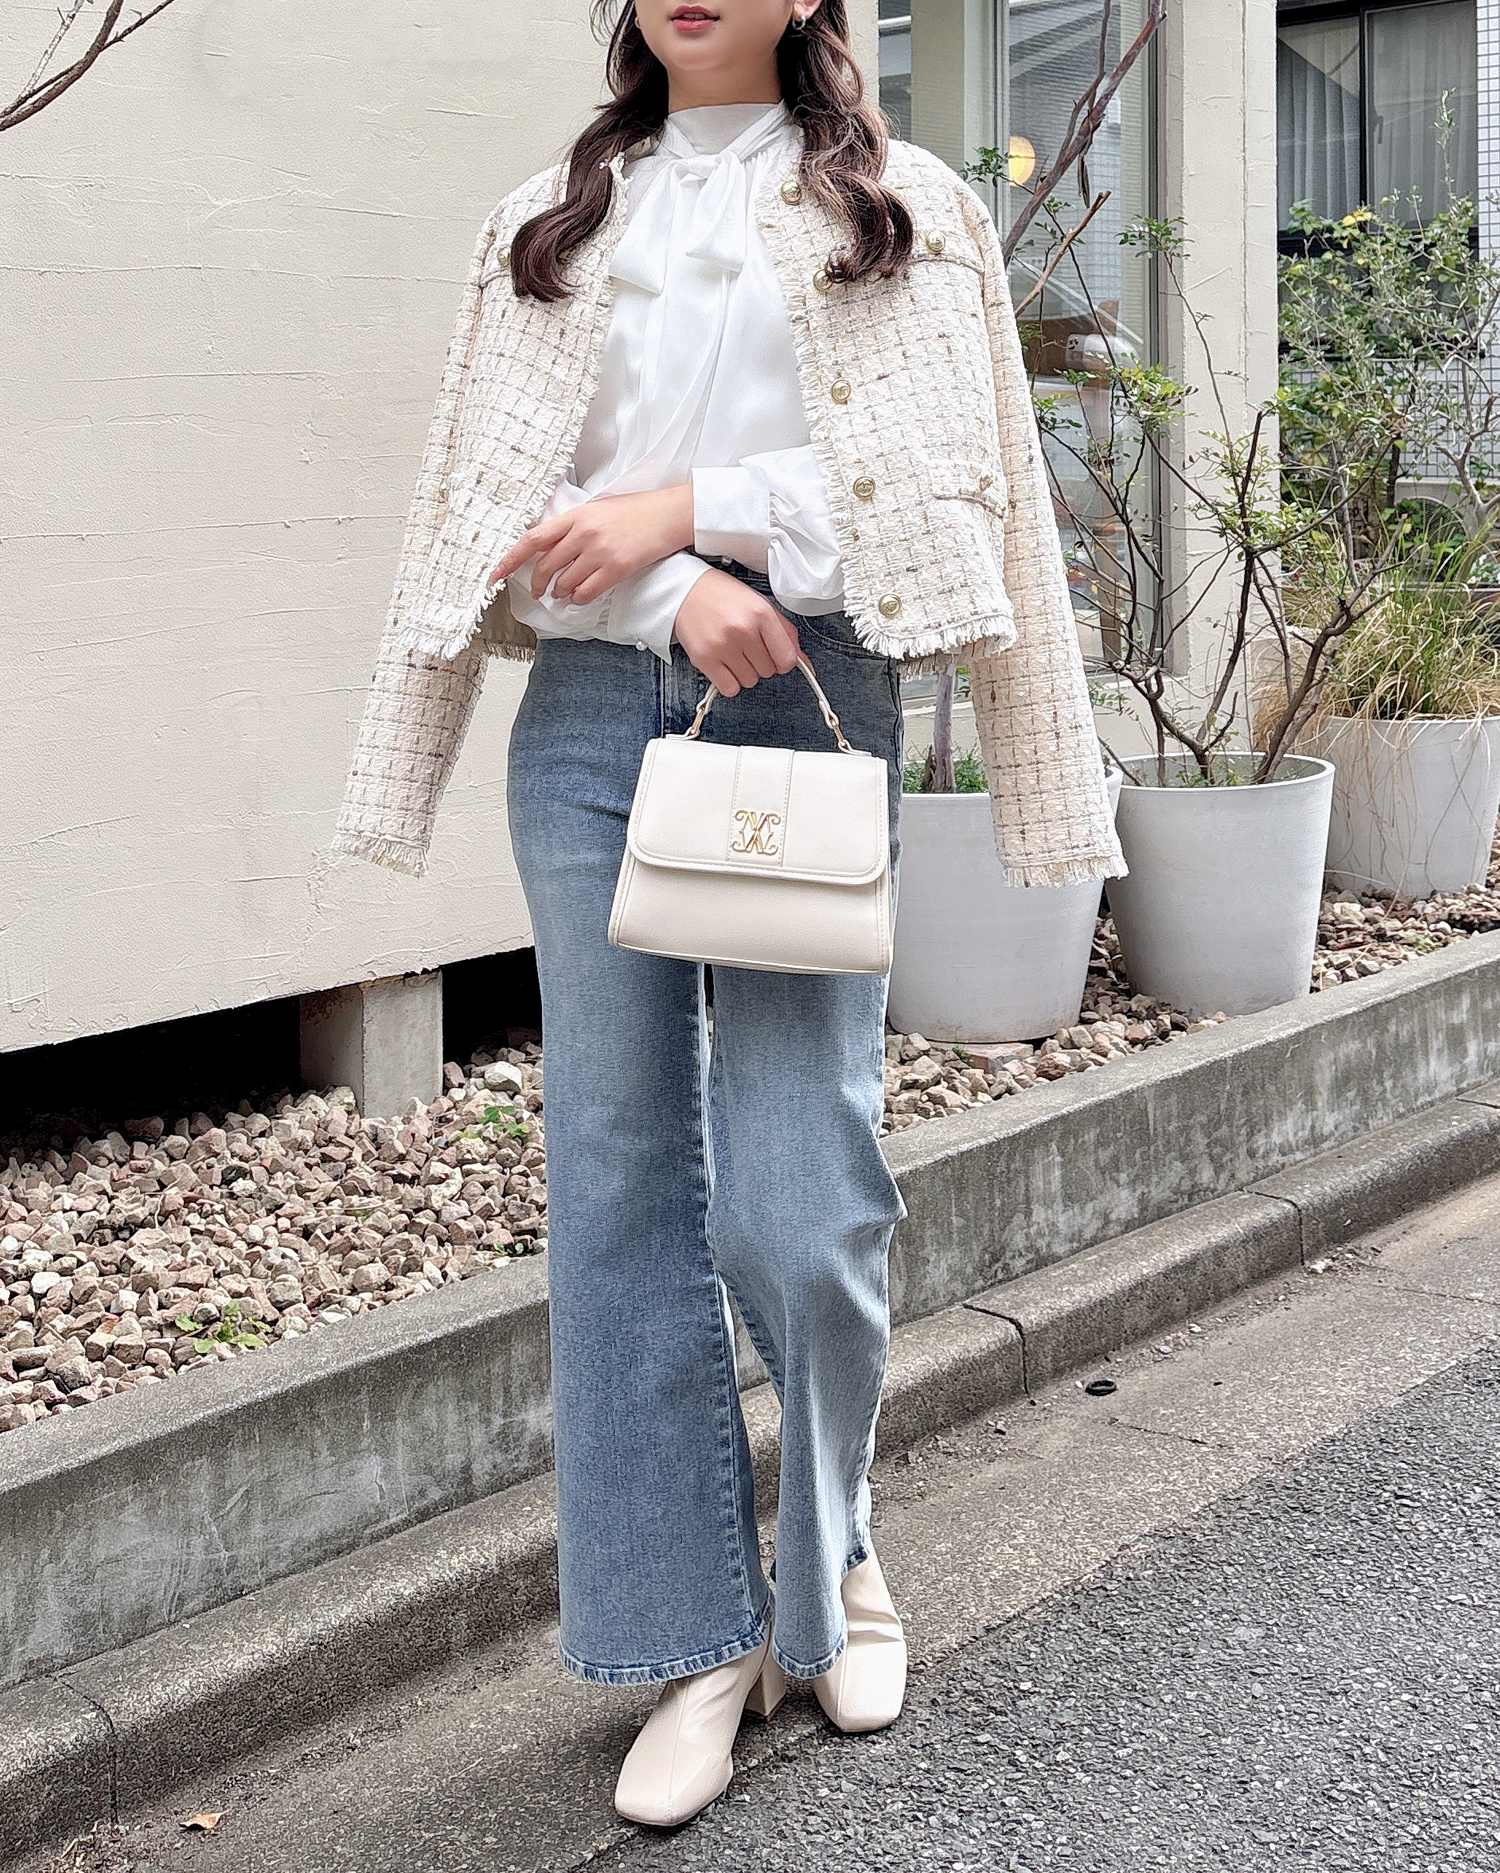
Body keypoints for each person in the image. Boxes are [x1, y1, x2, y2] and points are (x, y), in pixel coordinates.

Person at [332, 0, 1127, 1831]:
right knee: (617, 1184)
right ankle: (693, 1638)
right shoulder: (545, 218)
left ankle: (833, 1557)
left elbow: (944, 496)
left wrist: (700, 509)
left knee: (797, 1180)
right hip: (590, 722)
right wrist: (664, 579)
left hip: (805, 700)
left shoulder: (907, 207)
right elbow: (493, 504)